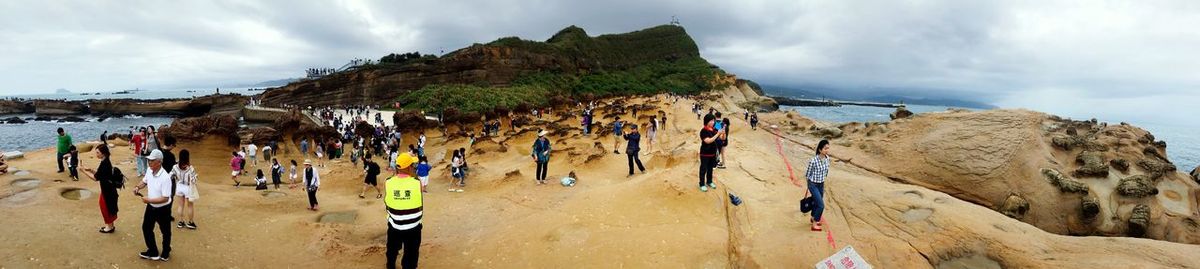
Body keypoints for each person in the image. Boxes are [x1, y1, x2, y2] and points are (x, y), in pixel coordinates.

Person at [132, 149, 174, 261]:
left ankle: (166, 251)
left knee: (165, 231)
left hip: (163, 209)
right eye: (149, 160)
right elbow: (144, 181)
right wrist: (137, 187)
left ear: (159, 162)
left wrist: (149, 200)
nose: (149, 162)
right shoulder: (149, 171)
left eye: (152, 160)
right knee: (146, 228)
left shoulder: (165, 177)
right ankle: (153, 251)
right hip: (151, 207)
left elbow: (165, 198)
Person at [384, 152, 423, 269]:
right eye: (412, 165)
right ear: (408, 167)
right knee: (411, 253)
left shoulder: (388, 182)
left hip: (394, 225)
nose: (414, 167)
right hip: (413, 226)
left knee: (392, 249)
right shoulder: (417, 183)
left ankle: (390, 265)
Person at [81, 145, 118, 233]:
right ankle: (110, 225)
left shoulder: (105, 164)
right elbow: (100, 175)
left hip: (107, 190)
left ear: (103, 153)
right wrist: (90, 170)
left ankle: (109, 227)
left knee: (105, 207)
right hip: (108, 189)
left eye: (98, 153)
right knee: (108, 207)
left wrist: (83, 171)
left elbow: (95, 178)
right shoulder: (105, 161)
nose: (96, 154)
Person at [805, 140, 832, 232]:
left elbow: (826, 171)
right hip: (813, 184)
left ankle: (813, 217)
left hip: (821, 184)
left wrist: (823, 180)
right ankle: (815, 223)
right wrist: (809, 185)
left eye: (828, 148)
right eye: (825, 148)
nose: (827, 150)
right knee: (821, 205)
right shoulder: (813, 161)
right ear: (820, 150)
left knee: (817, 203)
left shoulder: (828, 159)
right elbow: (808, 174)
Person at [172, 150, 199, 230]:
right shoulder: (190, 168)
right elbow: (194, 180)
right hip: (188, 187)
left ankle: (181, 222)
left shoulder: (175, 167)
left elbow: (171, 176)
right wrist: (196, 177)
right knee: (190, 206)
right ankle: (190, 222)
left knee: (180, 205)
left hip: (179, 186)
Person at [698, 114, 724, 192]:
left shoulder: (713, 130)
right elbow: (708, 141)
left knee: (710, 169)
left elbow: (722, 138)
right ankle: (702, 184)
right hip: (705, 153)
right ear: (707, 121)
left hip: (712, 153)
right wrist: (717, 134)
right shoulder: (703, 131)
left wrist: (723, 132)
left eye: (713, 120)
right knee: (703, 169)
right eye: (711, 121)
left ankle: (709, 181)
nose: (713, 122)